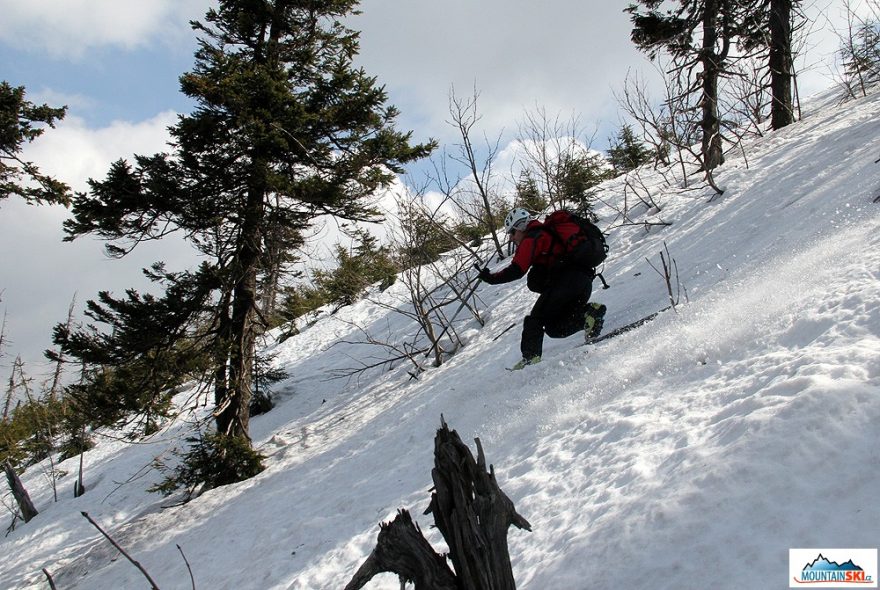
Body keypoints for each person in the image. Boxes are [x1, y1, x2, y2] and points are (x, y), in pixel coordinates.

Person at [478, 208, 606, 370]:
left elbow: (517, 269)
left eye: (512, 232)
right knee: (554, 328)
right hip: (582, 282)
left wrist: (490, 278)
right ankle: (590, 314)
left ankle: (530, 359)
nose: (511, 238)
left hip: (568, 281)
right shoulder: (546, 234)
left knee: (536, 319)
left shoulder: (534, 236)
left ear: (520, 227)